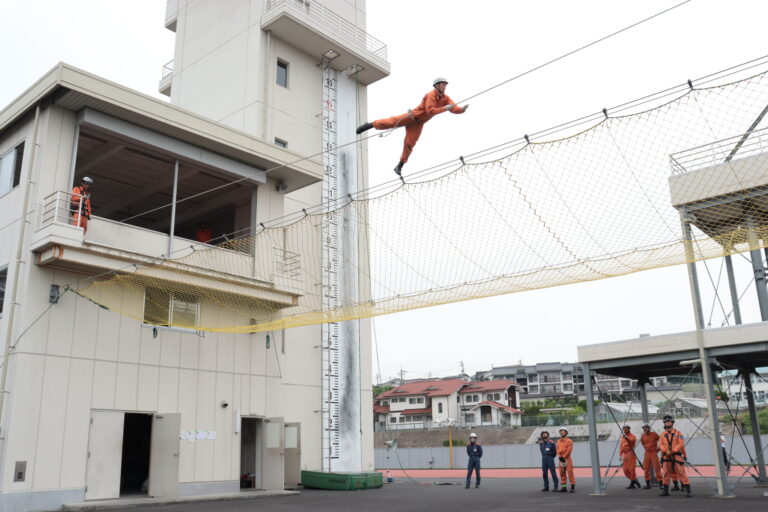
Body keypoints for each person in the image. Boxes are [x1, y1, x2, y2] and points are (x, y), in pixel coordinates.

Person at [356, 77, 468, 176]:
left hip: (419, 123)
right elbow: (430, 111)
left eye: (445, 84)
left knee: (410, 143)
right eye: (442, 84)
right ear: (436, 85)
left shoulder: (445, 98)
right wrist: (445, 109)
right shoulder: (431, 95)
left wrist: (461, 110)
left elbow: (453, 107)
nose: (444, 86)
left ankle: (399, 166)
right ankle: (369, 125)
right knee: (390, 122)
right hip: (412, 117)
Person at [659, 415, 691, 497]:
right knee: (666, 473)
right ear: (664, 423)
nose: (667, 423)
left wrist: (673, 451)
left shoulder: (678, 433)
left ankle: (688, 489)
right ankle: (665, 491)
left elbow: (681, 444)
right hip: (666, 456)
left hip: (676, 455)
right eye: (666, 422)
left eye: (669, 421)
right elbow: (661, 445)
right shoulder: (662, 435)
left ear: (672, 423)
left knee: (681, 472)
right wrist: (666, 451)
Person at [640, 423, 662, 489]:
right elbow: (642, 443)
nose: (645, 429)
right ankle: (648, 485)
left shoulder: (654, 434)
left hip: (653, 453)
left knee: (657, 468)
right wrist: (646, 448)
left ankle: (661, 484)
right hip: (647, 453)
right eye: (643, 428)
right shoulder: (642, 435)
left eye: (646, 427)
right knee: (645, 469)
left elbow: (661, 441)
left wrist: (657, 450)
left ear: (649, 428)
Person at [556, 428, 575, 493]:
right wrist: (559, 456)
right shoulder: (558, 441)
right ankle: (564, 487)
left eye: (563, 431)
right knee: (562, 473)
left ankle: (572, 487)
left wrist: (563, 457)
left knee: (570, 472)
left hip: (567, 458)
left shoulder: (569, 441)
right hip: (561, 459)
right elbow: (557, 449)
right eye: (561, 431)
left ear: (566, 433)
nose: (562, 432)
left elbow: (569, 450)